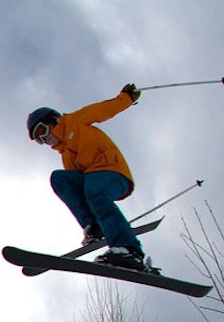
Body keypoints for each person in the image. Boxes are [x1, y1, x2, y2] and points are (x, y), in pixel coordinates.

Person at [26, 84, 152, 272]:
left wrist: (127, 98)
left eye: (43, 131)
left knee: (94, 187)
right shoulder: (66, 156)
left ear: (54, 120)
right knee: (60, 178)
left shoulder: (74, 121)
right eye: (39, 140)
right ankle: (94, 227)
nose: (45, 140)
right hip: (95, 183)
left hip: (114, 172)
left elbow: (104, 110)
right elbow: (79, 193)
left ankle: (130, 250)